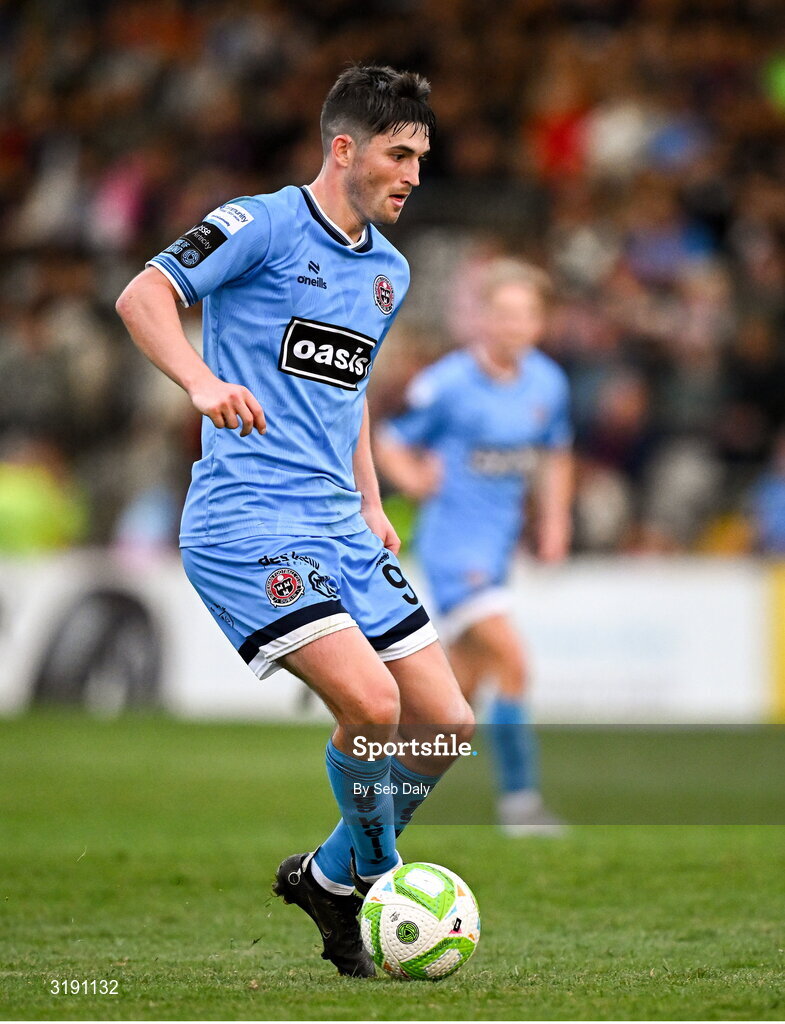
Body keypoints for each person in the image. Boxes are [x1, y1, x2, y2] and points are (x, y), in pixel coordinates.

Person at [115, 65, 474, 978]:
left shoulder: (387, 272)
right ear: (343, 148)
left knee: (445, 722)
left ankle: (326, 875)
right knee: (371, 703)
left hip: (340, 523)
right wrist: (201, 381)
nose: (413, 175)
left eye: (422, 159)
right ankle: (383, 884)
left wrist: (368, 500)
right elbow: (142, 296)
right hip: (248, 521)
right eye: (399, 155)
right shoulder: (260, 223)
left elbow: (345, 394)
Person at [375, 258, 573, 836]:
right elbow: (389, 437)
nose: (514, 325)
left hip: (497, 552)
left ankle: (384, 794)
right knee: (513, 661)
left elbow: (556, 455)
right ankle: (521, 803)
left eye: (526, 314)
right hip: (453, 551)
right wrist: (411, 477)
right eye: (503, 313)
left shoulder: (548, 383)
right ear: (483, 319)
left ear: (539, 322)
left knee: (458, 695)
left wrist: (556, 520)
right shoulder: (449, 383)